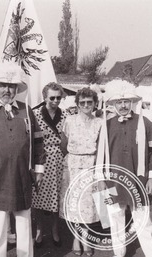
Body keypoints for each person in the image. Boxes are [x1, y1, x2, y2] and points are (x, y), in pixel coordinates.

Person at [0, 62, 45, 257]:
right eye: (2, 85)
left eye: (11, 86)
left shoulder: (26, 111)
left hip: (22, 176)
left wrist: (38, 169)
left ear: (16, 89)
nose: (7, 90)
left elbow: (37, 141)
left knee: (23, 221)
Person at [99, 80, 152, 257]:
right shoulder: (106, 125)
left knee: (144, 221)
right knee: (115, 219)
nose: (123, 105)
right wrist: (100, 180)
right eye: (119, 102)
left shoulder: (145, 123)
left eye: (126, 102)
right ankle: (119, 252)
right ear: (113, 104)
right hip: (112, 181)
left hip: (139, 180)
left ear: (132, 103)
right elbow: (99, 155)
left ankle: (150, 253)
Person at [59, 87, 102, 256]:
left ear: (95, 104)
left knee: (88, 206)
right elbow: (63, 144)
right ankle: (76, 239)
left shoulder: (100, 122)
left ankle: (87, 239)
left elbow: (102, 147)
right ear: (77, 104)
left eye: (89, 102)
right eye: (82, 102)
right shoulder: (69, 121)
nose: (85, 105)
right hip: (72, 165)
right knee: (74, 205)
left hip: (91, 164)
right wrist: (72, 160)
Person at [31, 82, 66, 248]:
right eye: (52, 97)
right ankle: (38, 230)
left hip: (59, 160)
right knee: (38, 196)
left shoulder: (65, 115)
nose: (56, 101)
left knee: (55, 197)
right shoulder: (35, 114)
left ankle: (54, 229)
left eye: (59, 97)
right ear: (45, 97)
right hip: (41, 160)